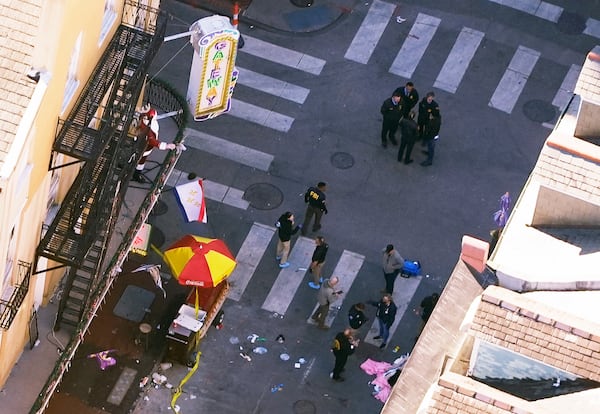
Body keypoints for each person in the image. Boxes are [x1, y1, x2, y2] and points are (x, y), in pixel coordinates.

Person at [133, 105, 177, 183]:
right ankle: (135, 174)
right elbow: (153, 141)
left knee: (140, 161)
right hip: (142, 148)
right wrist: (166, 146)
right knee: (137, 160)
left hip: (142, 146)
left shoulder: (145, 121)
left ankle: (135, 173)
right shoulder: (147, 129)